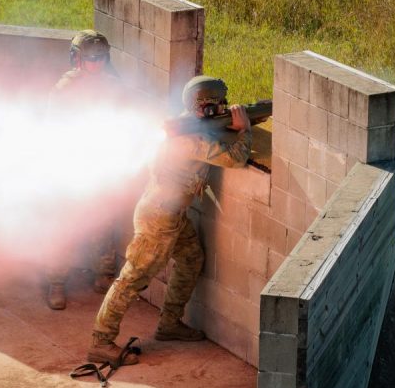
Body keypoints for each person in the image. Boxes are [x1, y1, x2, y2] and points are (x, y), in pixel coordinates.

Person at [87, 75, 253, 366]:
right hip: (159, 219)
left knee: (191, 257)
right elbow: (236, 158)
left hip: (169, 213)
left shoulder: (182, 124)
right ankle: (101, 341)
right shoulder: (189, 137)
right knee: (132, 278)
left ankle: (169, 324)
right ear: (201, 107)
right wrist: (245, 130)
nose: (221, 108)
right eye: (215, 104)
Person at [44, 30, 128, 310]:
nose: (95, 64)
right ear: (76, 58)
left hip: (100, 168)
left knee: (102, 222)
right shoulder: (64, 90)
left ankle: (103, 275)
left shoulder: (113, 87)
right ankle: (56, 282)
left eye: (100, 59)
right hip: (68, 169)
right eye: (89, 58)